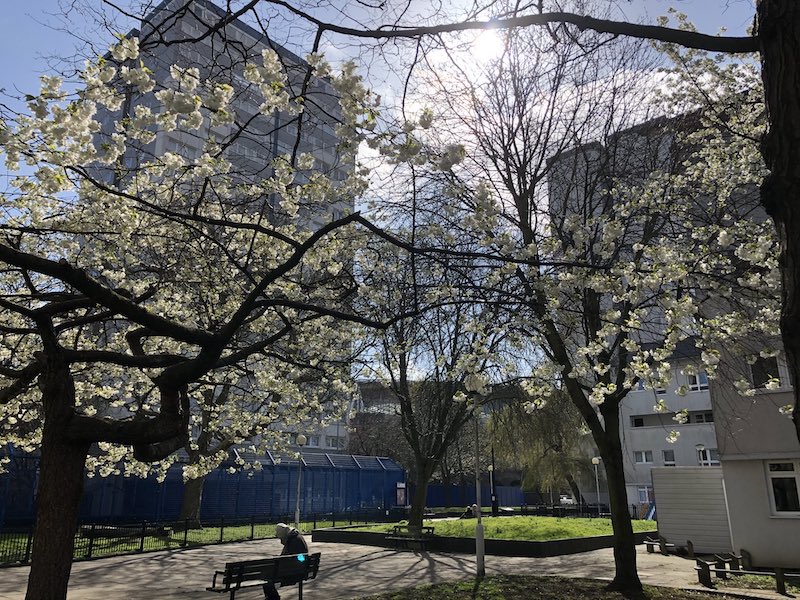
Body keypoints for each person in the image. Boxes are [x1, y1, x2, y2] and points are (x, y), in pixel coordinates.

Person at [263, 523, 309, 600]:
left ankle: (273, 598)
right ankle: (273, 597)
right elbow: (299, 557)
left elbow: (296, 558)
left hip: (293, 573)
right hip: (300, 570)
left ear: (284, 534)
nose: (281, 541)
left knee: (266, 575)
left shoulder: (293, 540)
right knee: (269, 573)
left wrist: (280, 559)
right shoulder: (296, 537)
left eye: (281, 538)